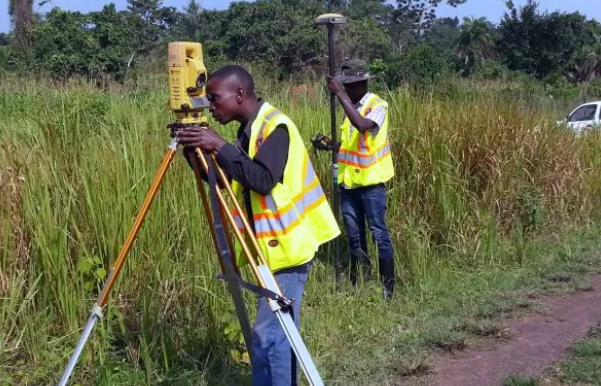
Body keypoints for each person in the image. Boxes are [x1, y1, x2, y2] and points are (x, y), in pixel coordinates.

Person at [176, 65, 340, 386]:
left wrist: (218, 145)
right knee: (270, 338)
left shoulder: (275, 127)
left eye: (214, 98)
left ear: (239, 94)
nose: (210, 105)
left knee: (271, 339)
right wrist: (194, 151)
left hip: (288, 251)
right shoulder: (247, 131)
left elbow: (263, 180)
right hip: (266, 252)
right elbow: (223, 181)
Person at [325, 59, 396, 299]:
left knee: (379, 234)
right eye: (345, 87)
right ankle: (360, 282)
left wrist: (340, 95)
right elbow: (350, 146)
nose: (347, 91)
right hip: (349, 185)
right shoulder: (351, 109)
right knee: (355, 237)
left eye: (349, 87)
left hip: (371, 186)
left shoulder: (378, 105)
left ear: (360, 83)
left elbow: (363, 126)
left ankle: (388, 288)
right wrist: (330, 145)